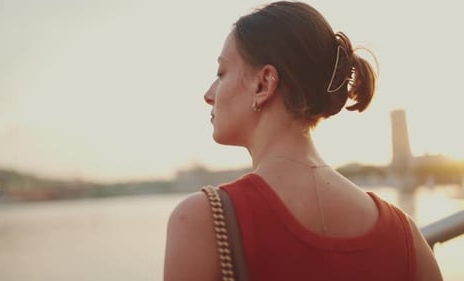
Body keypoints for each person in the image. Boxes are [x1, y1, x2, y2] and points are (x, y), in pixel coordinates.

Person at [163, 1, 443, 281]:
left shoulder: (204, 221)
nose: (208, 94)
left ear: (264, 84)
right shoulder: (406, 236)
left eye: (221, 73)